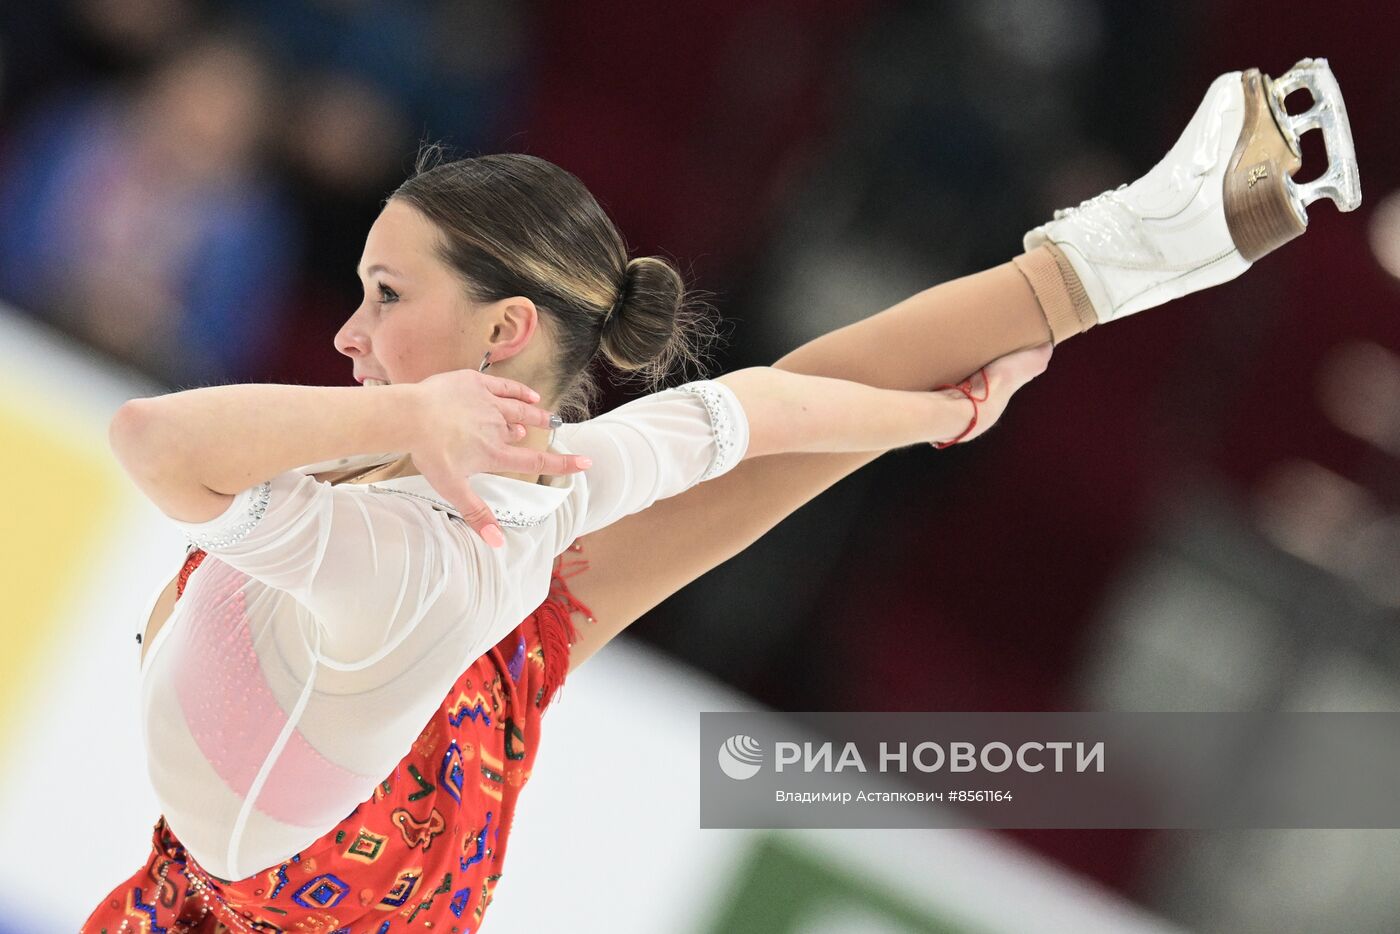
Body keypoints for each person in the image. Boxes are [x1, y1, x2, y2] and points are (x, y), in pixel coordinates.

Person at [83, 58, 1358, 932]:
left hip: (332, 841)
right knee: (781, 423)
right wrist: (940, 413)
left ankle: (1155, 237)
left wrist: (402, 417)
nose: (353, 333)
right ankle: (1158, 236)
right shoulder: (559, 485)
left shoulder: (402, 523)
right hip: (399, 774)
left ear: (503, 330)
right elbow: (771, 409)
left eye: (388, 296)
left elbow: (156, 435)